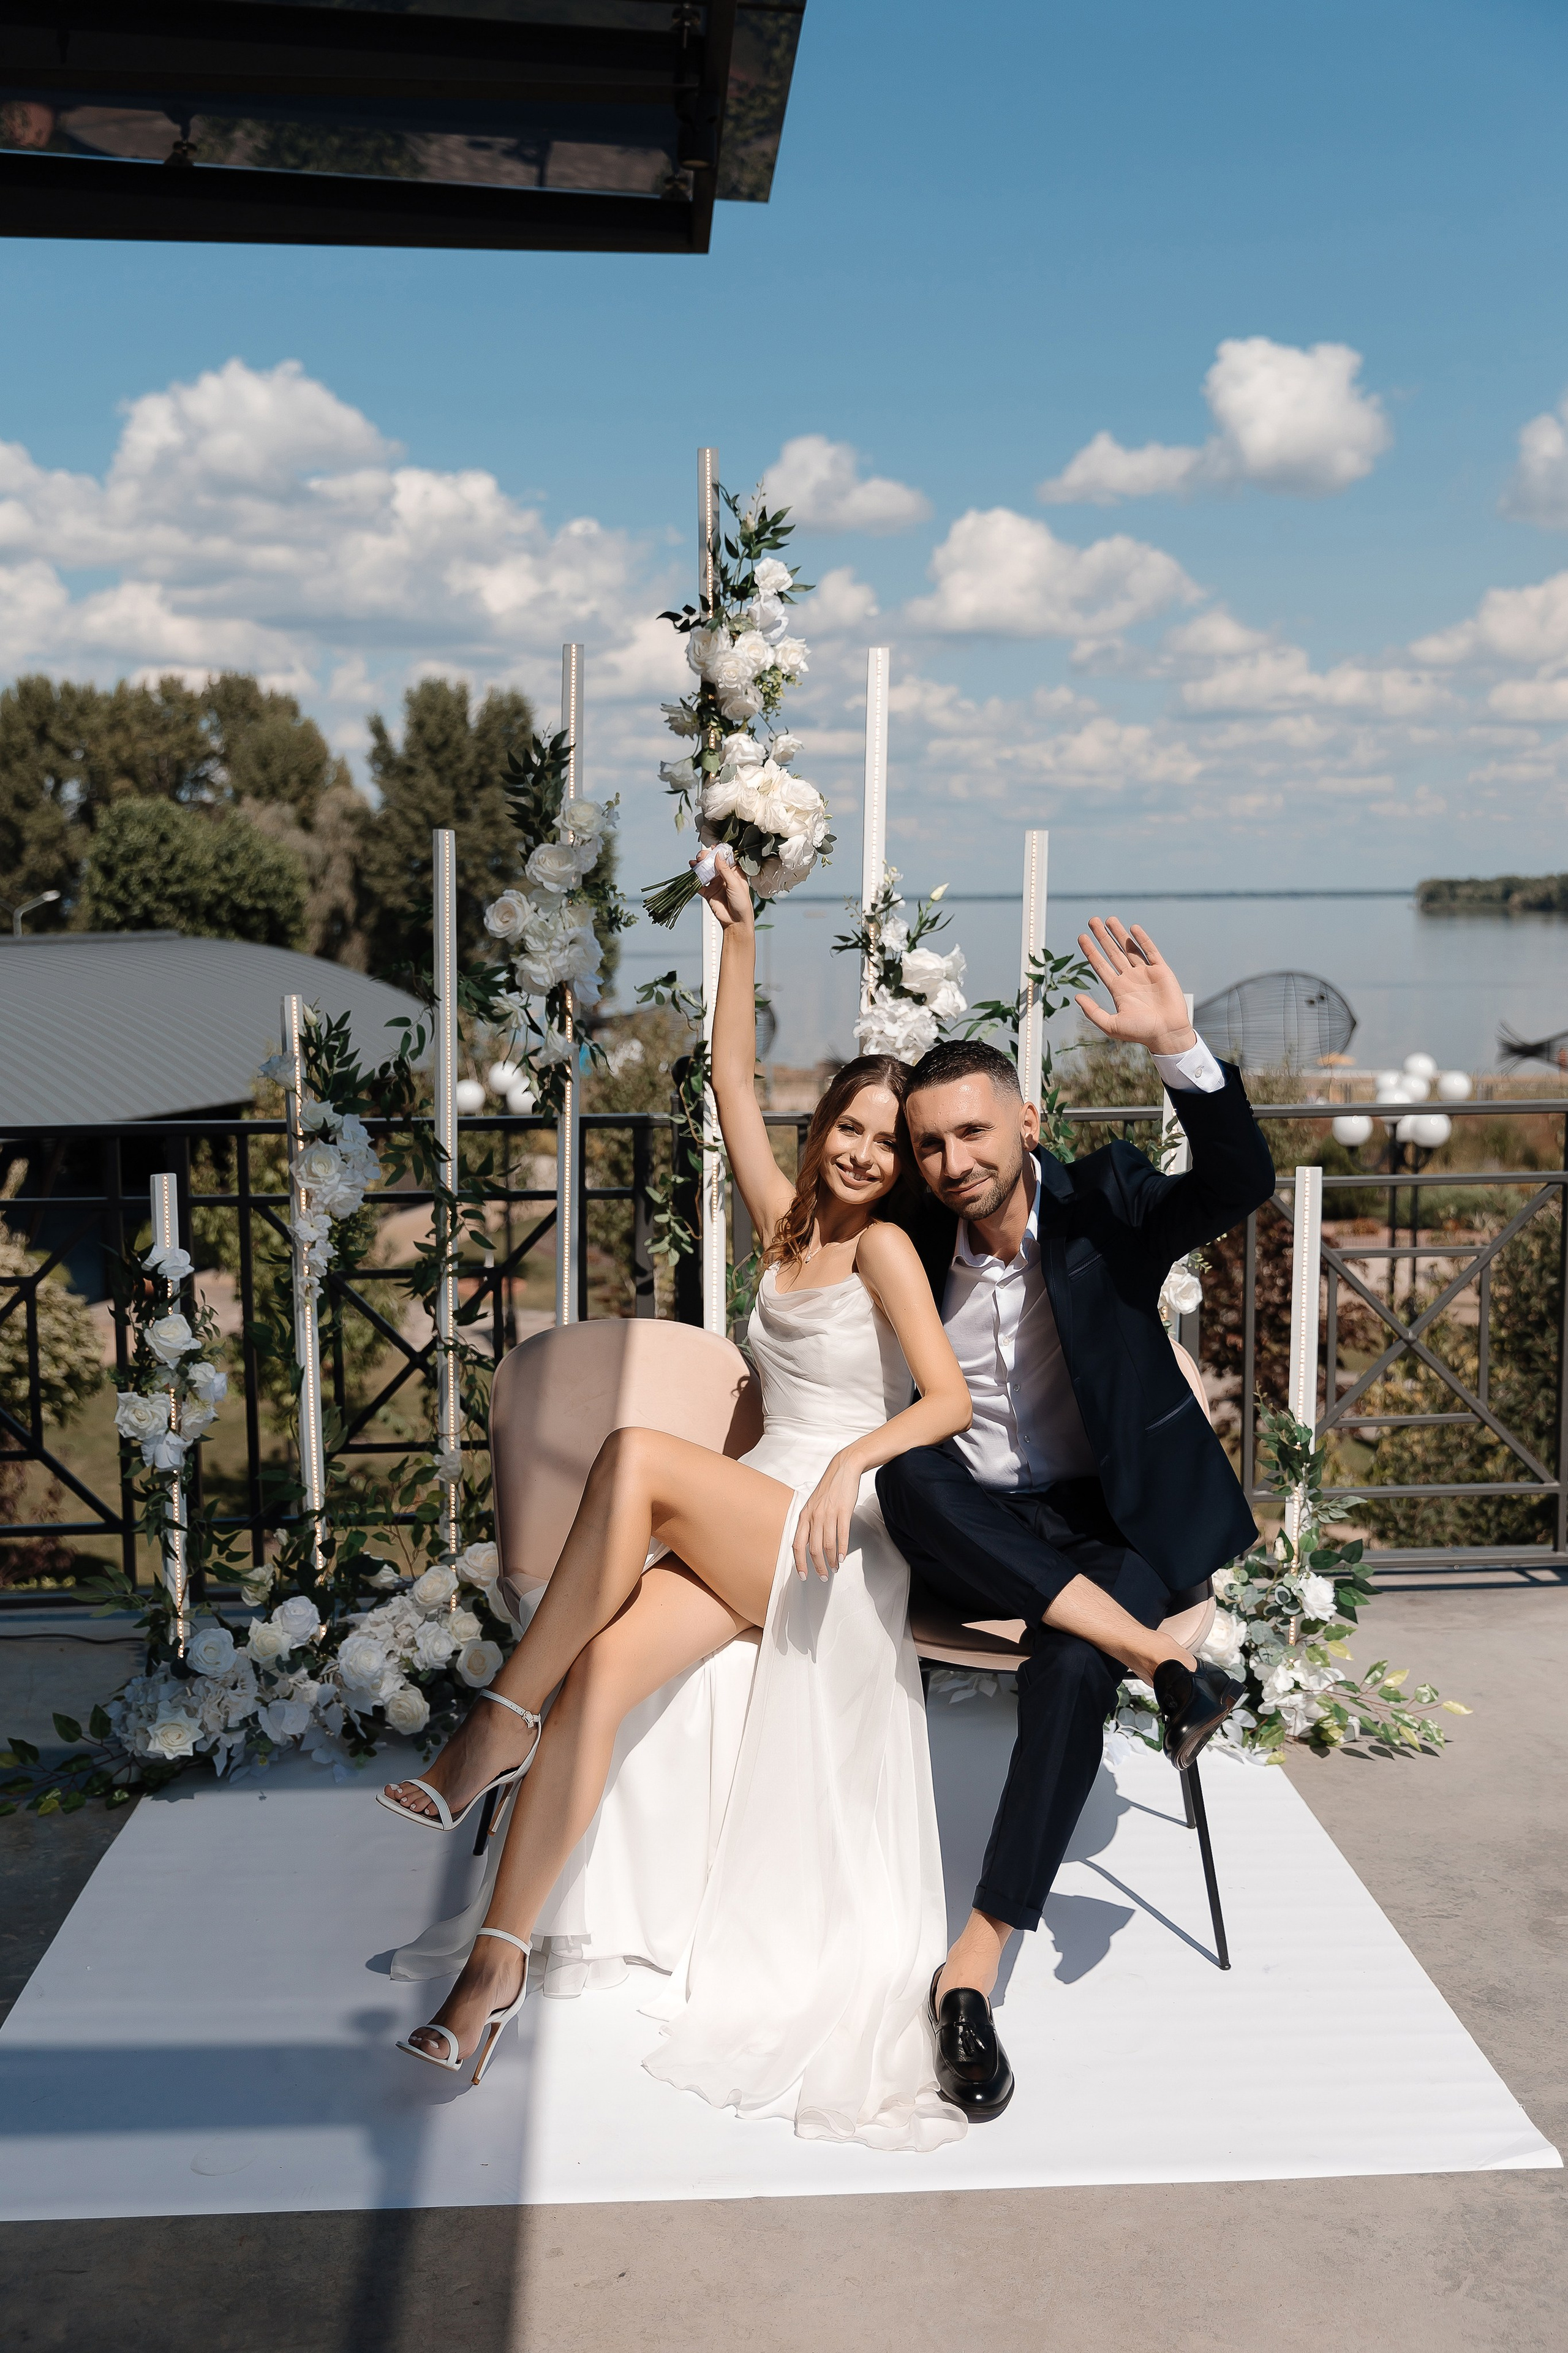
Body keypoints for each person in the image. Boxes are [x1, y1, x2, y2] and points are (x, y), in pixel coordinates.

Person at [380, 845, 973, 2148]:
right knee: (598, 1680)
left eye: (890, 1143)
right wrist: (740, 939)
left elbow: (944, 1402)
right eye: (852, 1129)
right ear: (824, 1133)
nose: (868, 1154)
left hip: (829, 1536)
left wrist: (847, 1466)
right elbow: (724, 1081)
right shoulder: (784, 1223)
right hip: (744, 1515)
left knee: (640, 1456)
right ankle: (494, 1971)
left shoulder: (881, 1250)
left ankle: (491, 1724)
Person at [877, 918, 1276, 2120]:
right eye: (929, 1142)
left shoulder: (1102, 1203)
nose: (951, 1160)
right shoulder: (901, 1230)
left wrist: (1181, 1051)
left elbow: (1235, 1183)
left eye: (972, 1133)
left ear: (1027, 1125)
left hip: (1106, 1525)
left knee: (1064, 1662)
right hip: (974, 1522)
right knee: (903, 1476)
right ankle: (1164, 1660)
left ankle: (968, 1975)